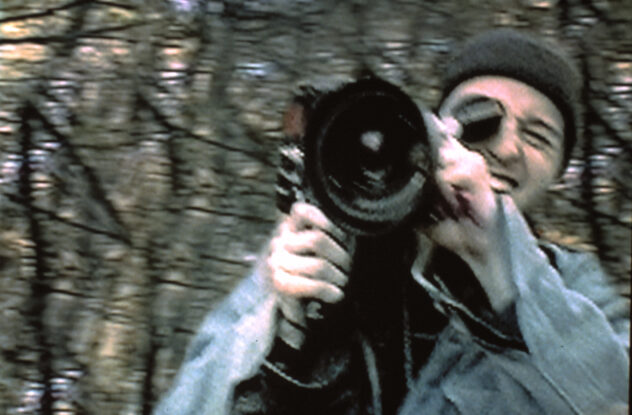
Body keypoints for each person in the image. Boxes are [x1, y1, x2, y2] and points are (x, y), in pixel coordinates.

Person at [154, 29, 629, 415]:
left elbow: (613, 396)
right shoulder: (328, 236)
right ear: (434, 132)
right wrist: (281, 330)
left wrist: (508, 274)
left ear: (557, 174)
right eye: (482, 118)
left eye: (538, 136)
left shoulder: (576, 285)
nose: (506, 148)